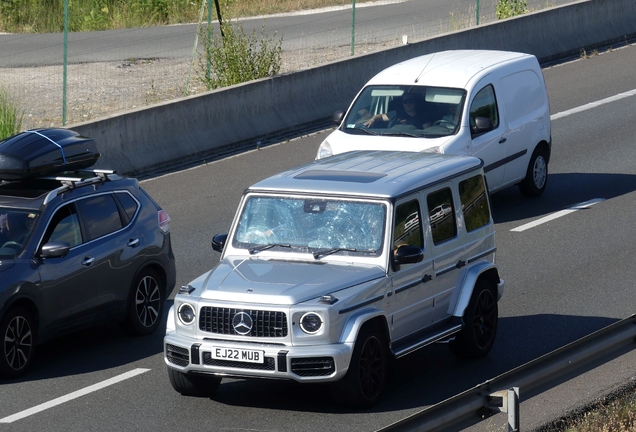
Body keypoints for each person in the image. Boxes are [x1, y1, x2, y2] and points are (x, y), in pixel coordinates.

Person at [364, 92, 433, 129]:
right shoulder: (397, 113)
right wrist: (372, 120)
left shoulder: (423, 117)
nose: (408, 103)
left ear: (415, 102)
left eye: (410, 101)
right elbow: (381, 116)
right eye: (405, 101)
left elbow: (428, 132)